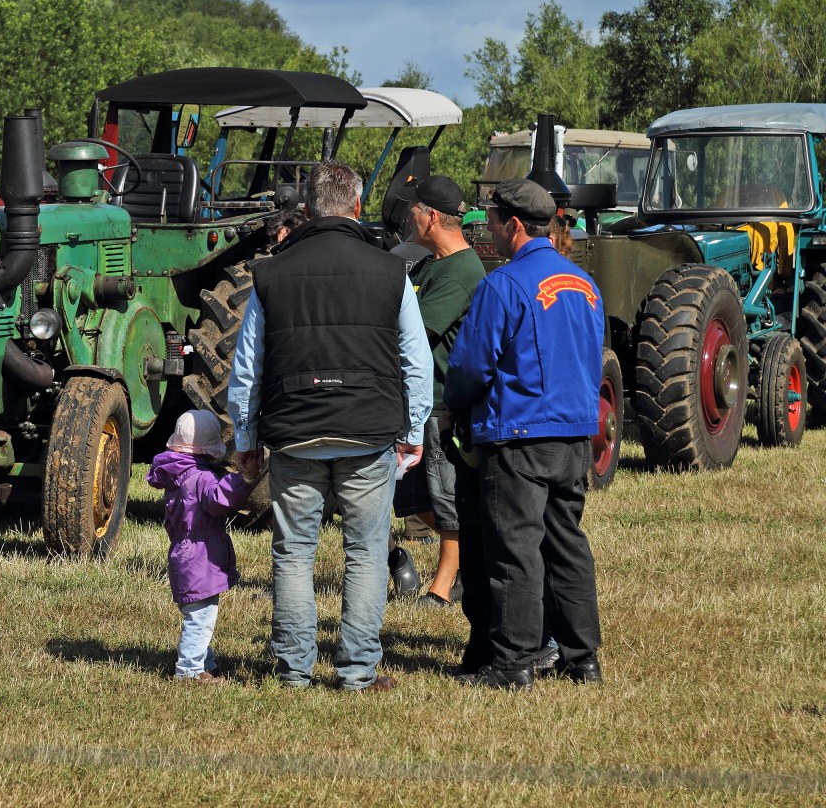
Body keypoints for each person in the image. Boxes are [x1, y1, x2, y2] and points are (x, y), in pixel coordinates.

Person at [228, 161, 433, 691]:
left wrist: (245, 439)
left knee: (294, 553)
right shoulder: (392, 271)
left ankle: (294, 672)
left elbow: (247, 367)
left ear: (309, 209)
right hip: (369, 431)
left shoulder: (270, 273)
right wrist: (414, 430)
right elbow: (417, 361)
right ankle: (358, 672)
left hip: (295, 431)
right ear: (358, 207)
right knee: (365, 553)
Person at [444, 178, 604, 691]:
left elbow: (470, 365)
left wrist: (454, 405)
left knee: (514, 550)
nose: (488, 231)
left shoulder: (503, 285)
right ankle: (583, 659)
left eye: (492, 222)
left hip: (518, 435)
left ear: (514, 225)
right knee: (566, 545)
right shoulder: (585, 284)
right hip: (574, 435)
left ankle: (513, 665)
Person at [393, 175, 485, 609]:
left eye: (412, 209)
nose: (407, 217)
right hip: (415, 401)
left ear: (430, 217)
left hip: (439, 403)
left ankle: (443, 588)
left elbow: (414, 334)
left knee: (445, 497)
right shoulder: (429, 264)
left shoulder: (461, 271)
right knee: (412, 500)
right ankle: (472, 553)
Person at [146, 409, 254, 683]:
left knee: (198, 614)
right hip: (200, 556)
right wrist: (243, 478)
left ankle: (207, 663)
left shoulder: (176, 474)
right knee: (201, 617)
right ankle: (189, 670)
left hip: (183, 553)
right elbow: (218, 500)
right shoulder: (201, 477)